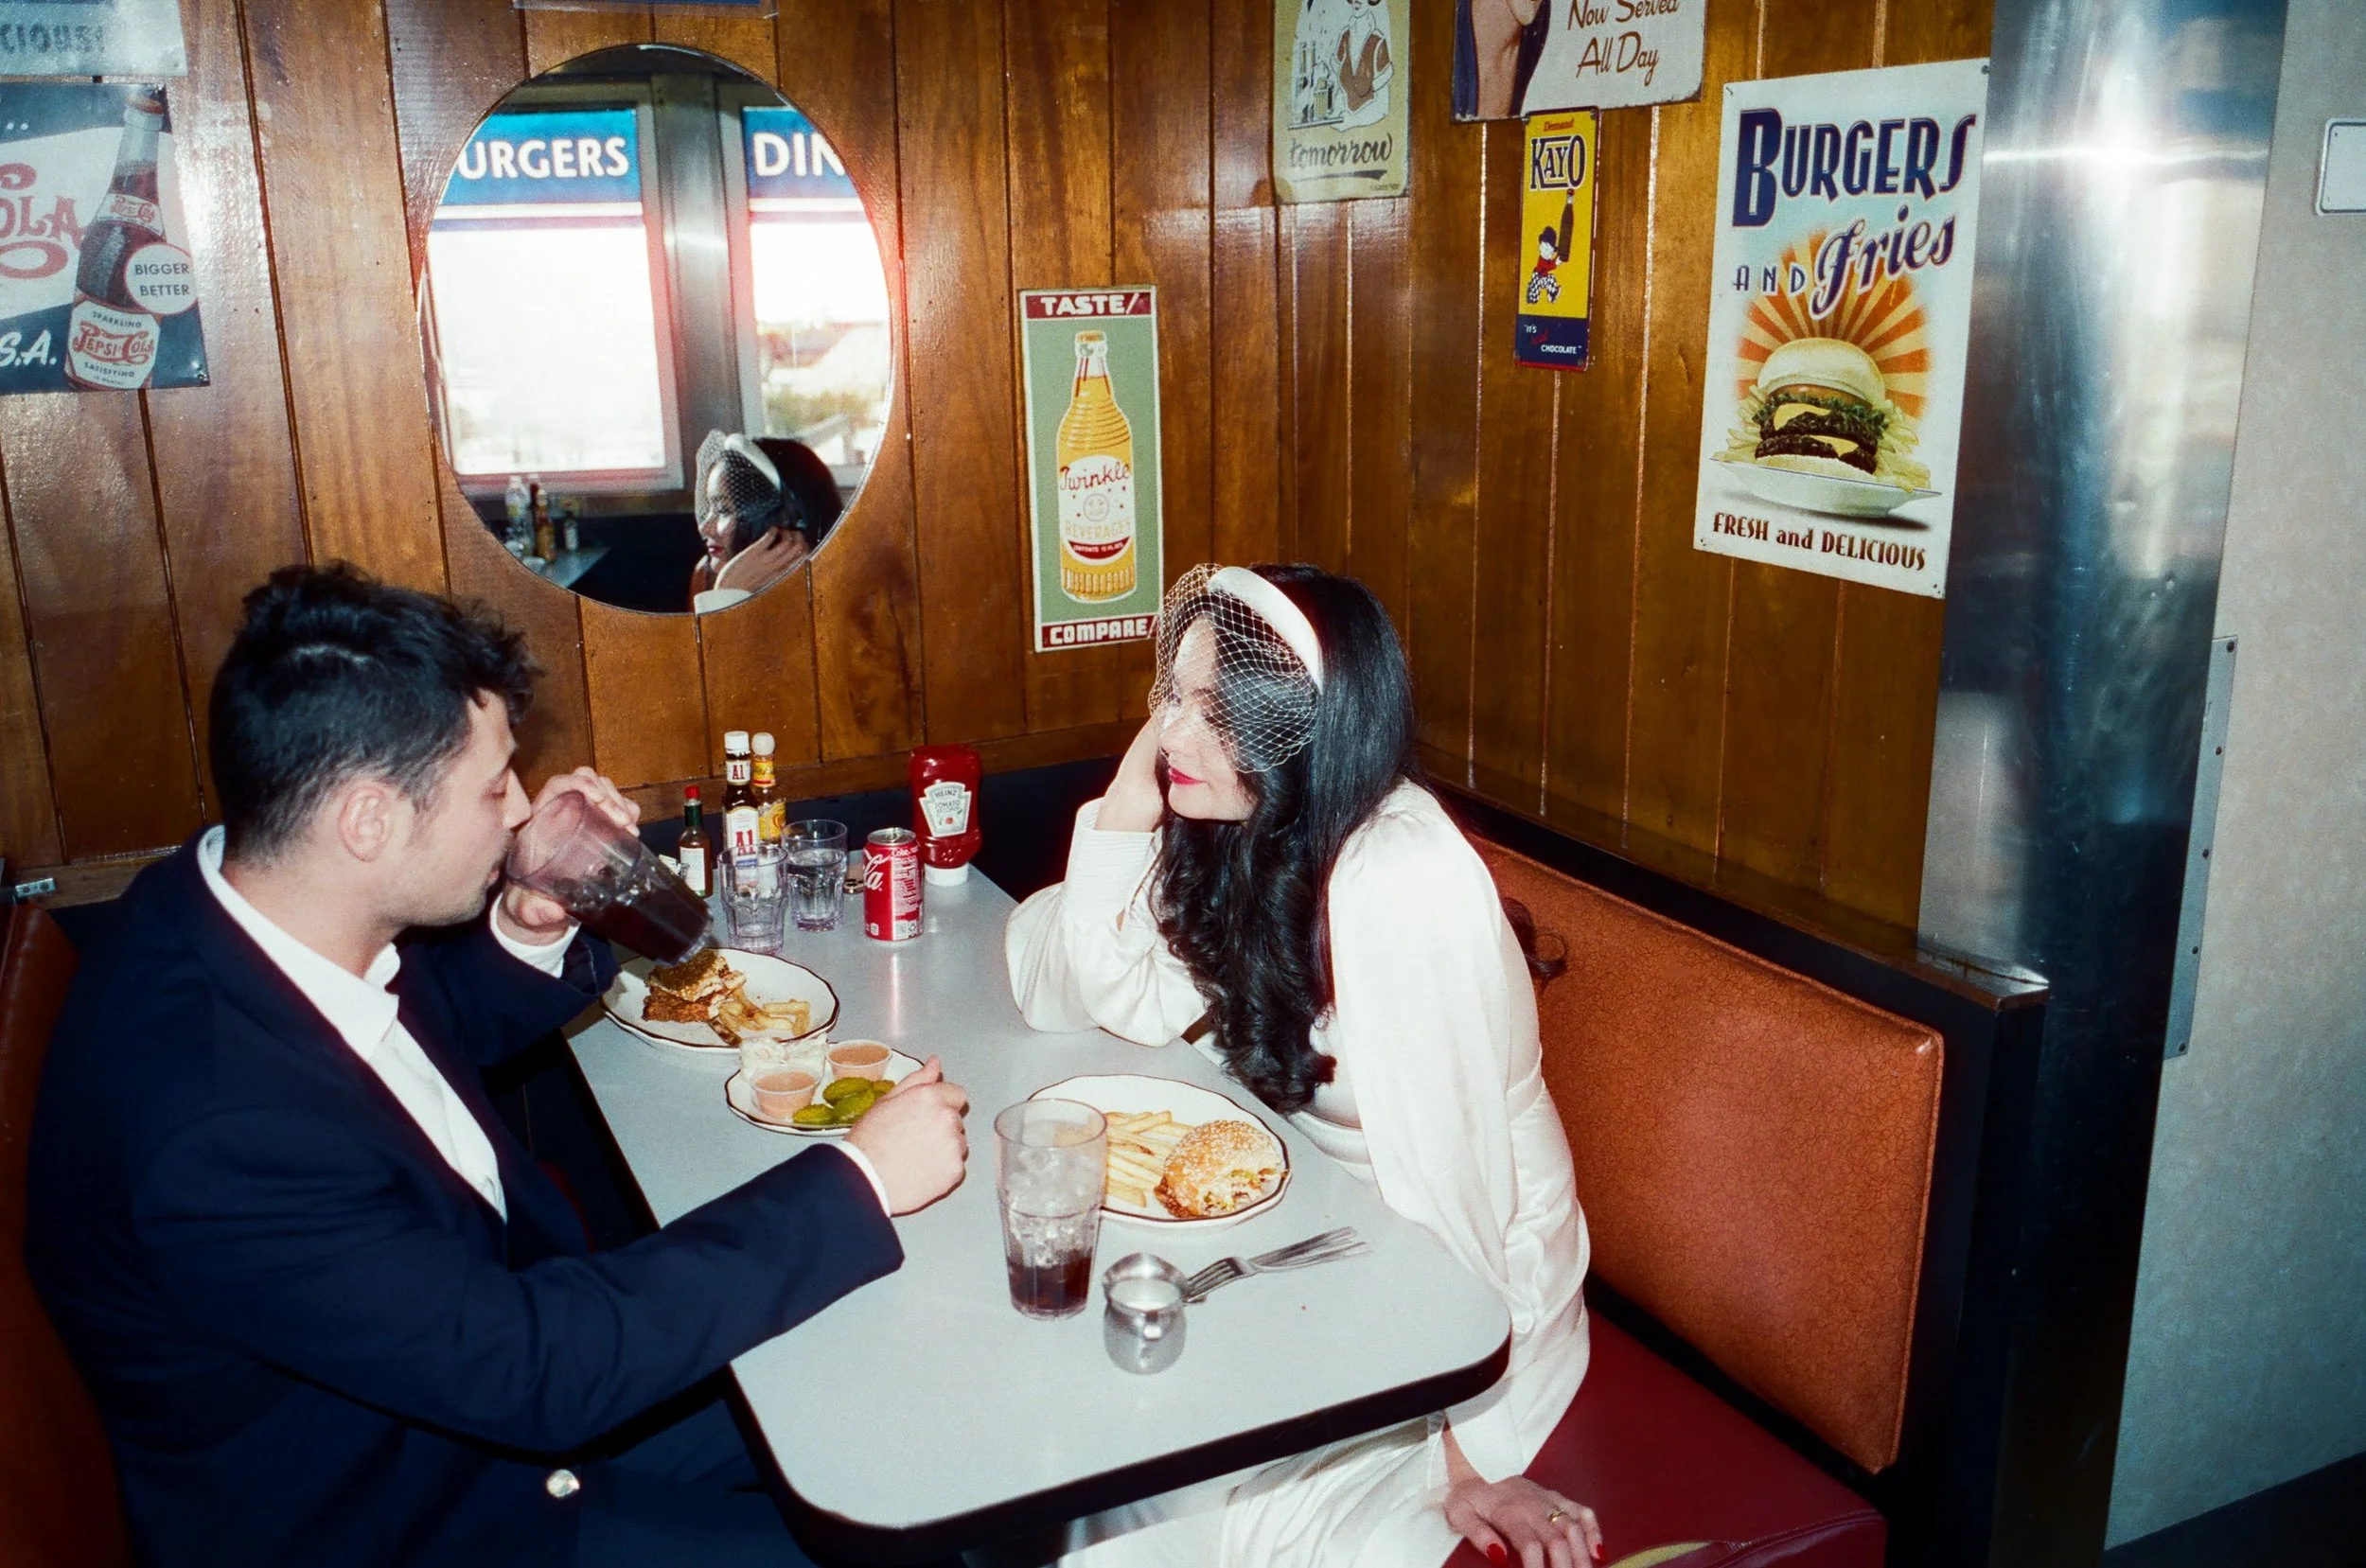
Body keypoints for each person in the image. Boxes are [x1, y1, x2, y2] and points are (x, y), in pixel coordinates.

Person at [26, 564, 970, 1568]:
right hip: (422, 1511)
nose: (521, 811)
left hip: (465, 1404)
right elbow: (538, 1367)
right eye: (490, 787)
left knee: (896, 1385)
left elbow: (393, 1072)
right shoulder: (215, 1129)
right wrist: (860, 1179)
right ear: (367, 821)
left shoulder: (233, 908)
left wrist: (526, 926)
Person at [1004, 564, 1599, 1568]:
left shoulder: (1398, 879)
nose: (1174, 741)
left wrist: (1465, 1453)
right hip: (1308, 1259)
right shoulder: (1245, 827)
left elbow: (1463, 1194)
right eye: (1169, 700)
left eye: (1216, 711)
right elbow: (1074, 988)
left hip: (1461, 1307)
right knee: (1105, 1498)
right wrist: (1125, 798)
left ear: (1307, 730)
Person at [690, 432, 844, 610]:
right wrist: (726, 594)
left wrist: (728, 596)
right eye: (709, 507)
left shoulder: (830, 597)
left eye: (723, 510)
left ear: (784, 520)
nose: (704, 528)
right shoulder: (706, 576)